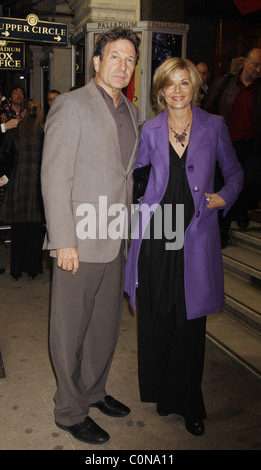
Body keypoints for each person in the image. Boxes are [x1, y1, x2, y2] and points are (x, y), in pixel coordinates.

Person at [124, 57, 243, 436]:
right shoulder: (150, 130)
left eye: (184, 83)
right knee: (158, 315)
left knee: (190, 321)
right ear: (160, 90)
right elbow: (138, 177)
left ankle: (190, 401)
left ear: (195, 87)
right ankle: (163, 393)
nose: (177, 90)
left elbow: (236, 172)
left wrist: (224, 197)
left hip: (195, 236)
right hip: (158, 236)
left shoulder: (215, 126)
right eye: (169, 84)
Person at [41, 27, 140, 445]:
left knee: (104, 326)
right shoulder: (71, 104)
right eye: (114, 56)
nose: (122, 65)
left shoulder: (133, 112)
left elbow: (124, 176)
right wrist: (64, 238)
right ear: (97, 61)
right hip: (78, 241)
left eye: (130, 59)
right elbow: (54, 175)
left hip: (114, 236)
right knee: (70, 330)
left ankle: (94, 392)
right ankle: (69, 410)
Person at [204, 48, 261, 246]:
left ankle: (240, 208)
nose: (258, 70)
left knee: (251, 181)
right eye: (255, 64)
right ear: (245, 62)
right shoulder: (225, 84)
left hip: (250, 147)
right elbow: (207, 109)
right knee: (221, 188)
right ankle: (221, 233)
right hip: (224, 147)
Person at [0, 99, 45, 280]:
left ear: (23, 112)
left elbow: (4, 154)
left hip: (19, 181)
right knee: (35, 229)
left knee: (18, 229)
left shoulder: (16, 132)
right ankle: (33, 269)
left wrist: (9, 172)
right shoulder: (44, 133)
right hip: (38, 183)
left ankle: (16, 270)